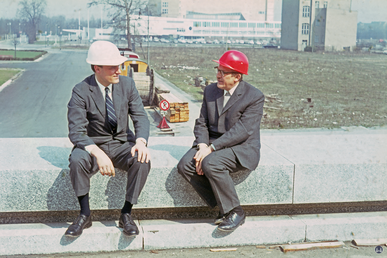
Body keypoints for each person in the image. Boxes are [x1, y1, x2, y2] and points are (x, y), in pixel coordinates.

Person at [66, 40, 151, 237]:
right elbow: (76, 132)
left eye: (119, 65)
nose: (118, 70)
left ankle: (127, 213)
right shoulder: (80, 90)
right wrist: (97, 152)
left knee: (142, 160)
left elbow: (140, 116)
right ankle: (85, 214)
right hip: (94, 144)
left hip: (122, 144)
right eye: (113, 67)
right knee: (77, 160)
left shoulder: (127, 85)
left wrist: (141, 142)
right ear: (97, 68)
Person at [177, 50, 265, 232]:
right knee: (185, 165)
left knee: (211, 163)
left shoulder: (254, 96)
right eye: (218, 69)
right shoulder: (210, 90)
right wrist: (202, 146)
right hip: (211, 143)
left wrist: (211, 149)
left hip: (241, 146)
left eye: (223, 72)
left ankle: (235, 211)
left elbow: (242, 131)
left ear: (237, 77)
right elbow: (201, 122)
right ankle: (222, 206)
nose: (218, 75)